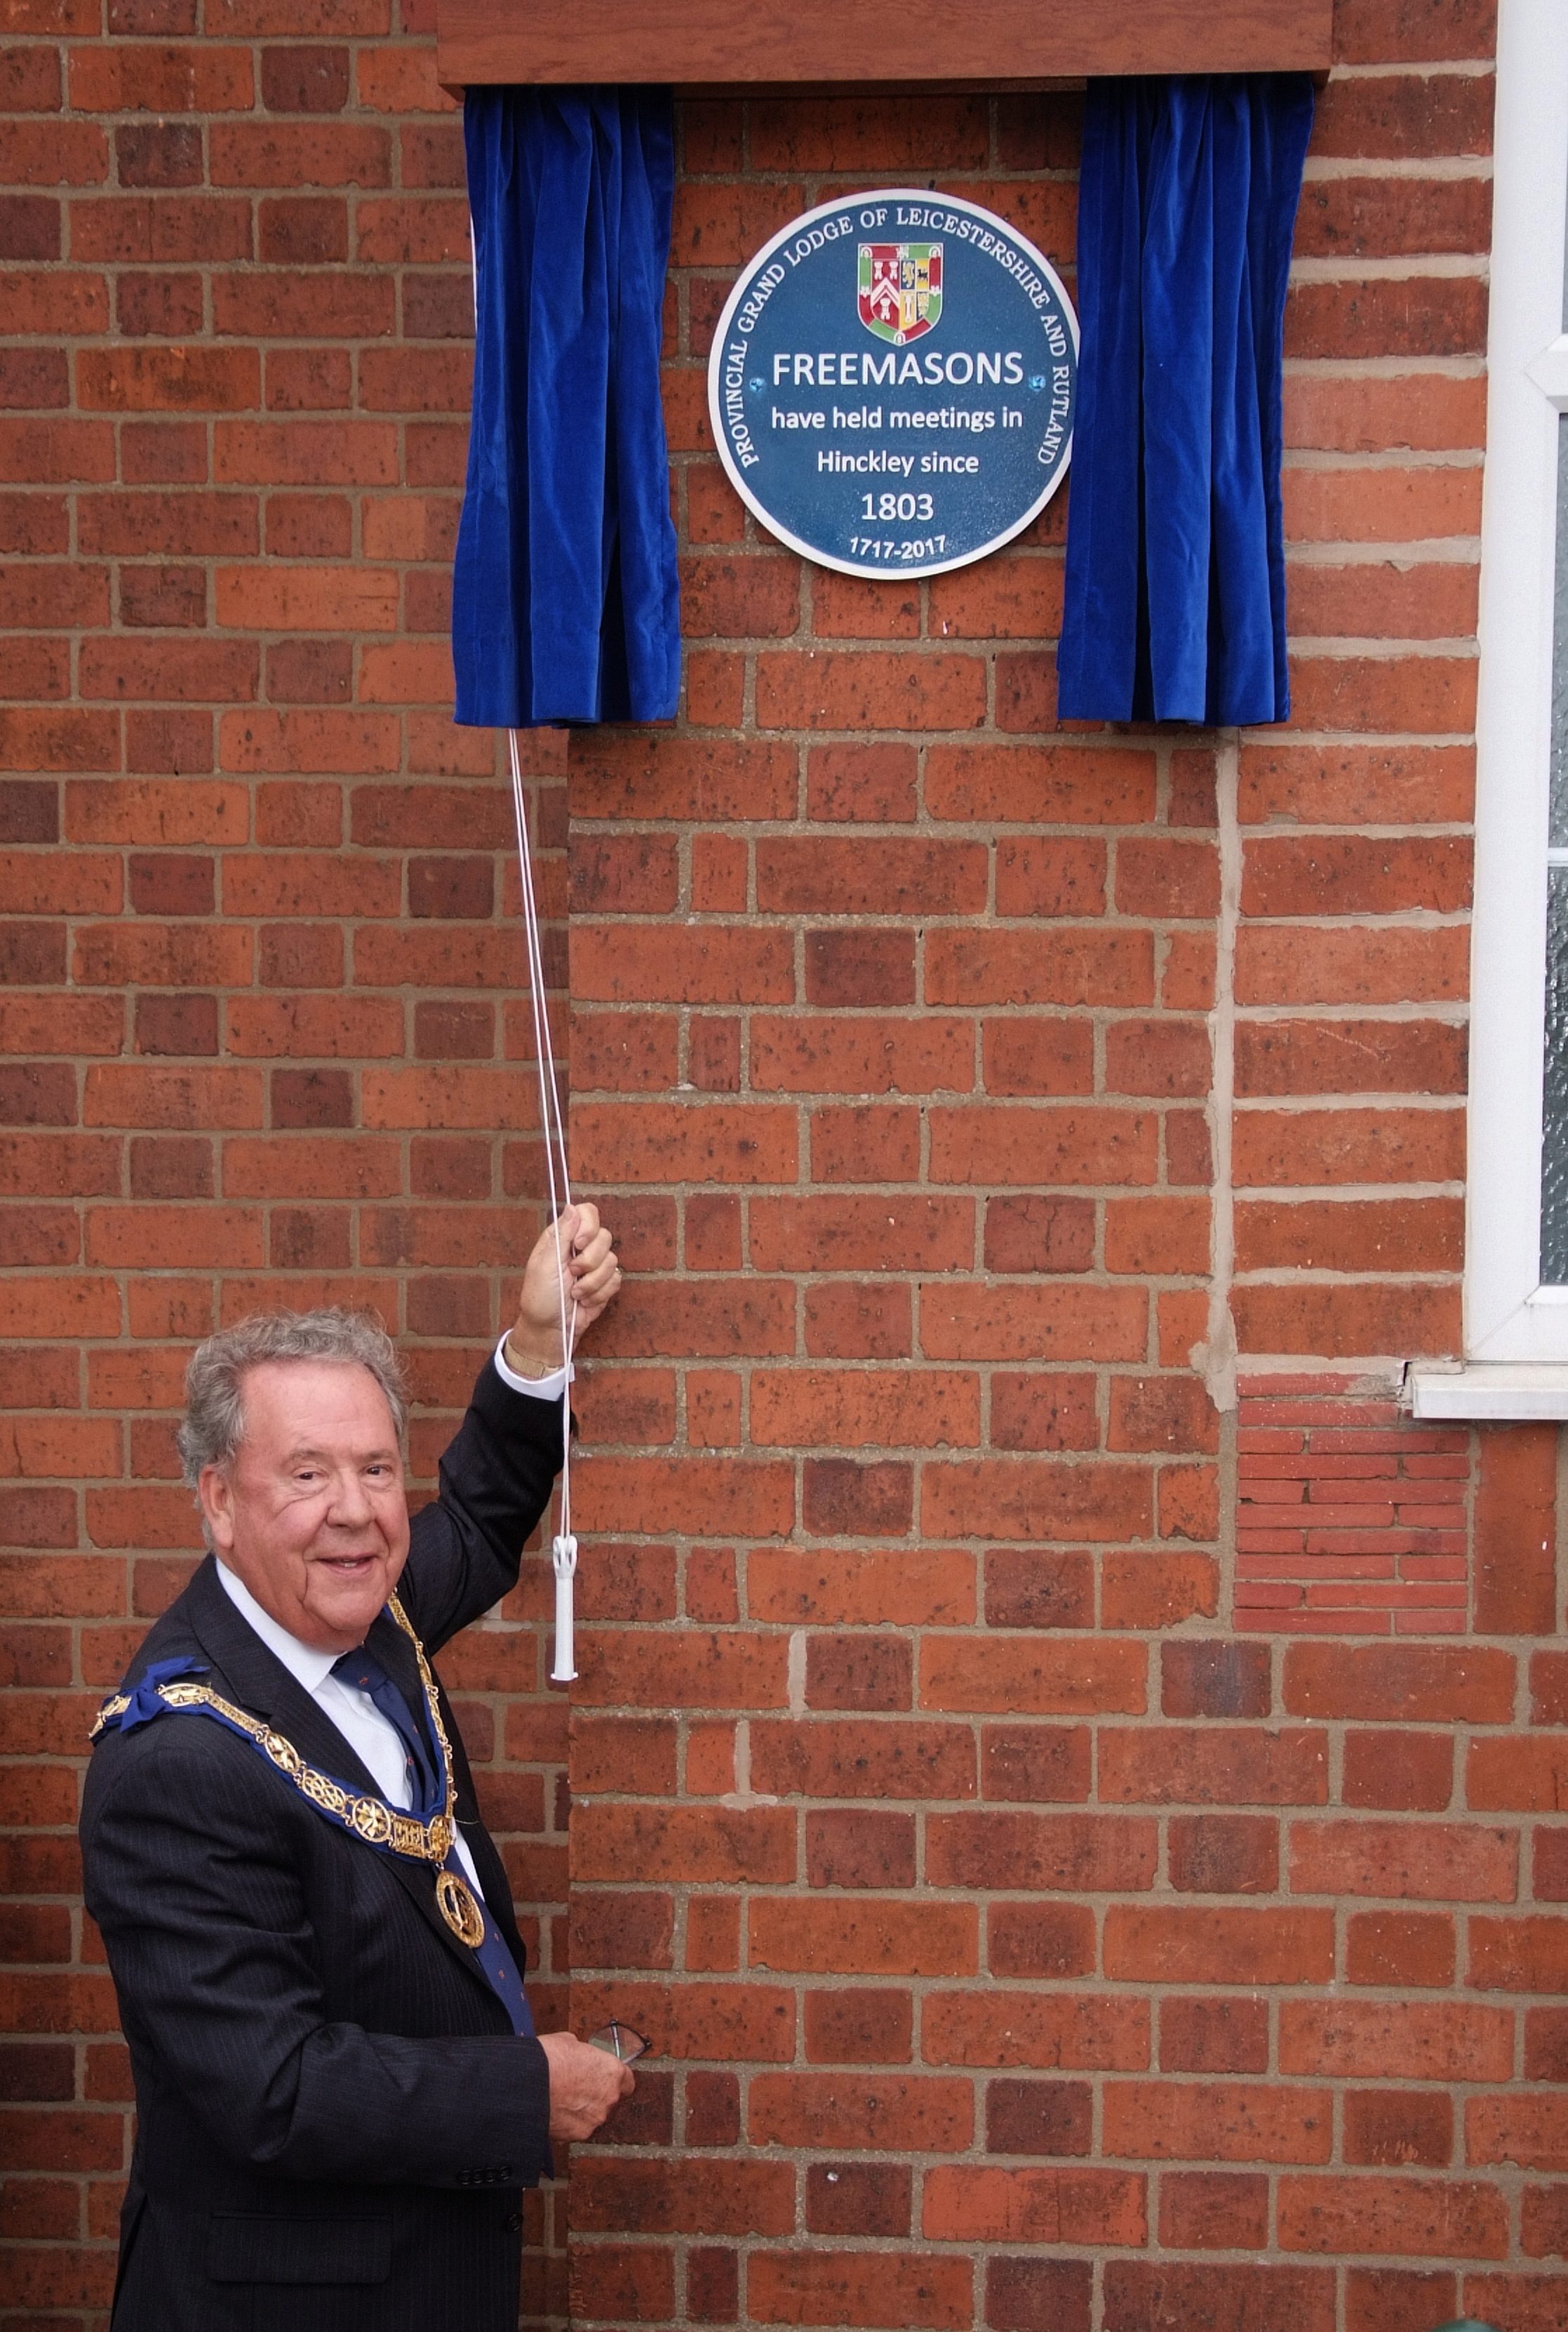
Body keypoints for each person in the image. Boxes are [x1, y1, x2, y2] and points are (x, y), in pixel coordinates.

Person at [80, 1204, 631, 2332]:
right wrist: (527, 2092)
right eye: (307, 1475)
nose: (355, 1513)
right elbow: (270, 2089)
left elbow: (474, 1519)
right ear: (219, 1504)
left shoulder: (366, 1615)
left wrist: (536, 1343)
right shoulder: (175, 1761)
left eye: (376, 1469)